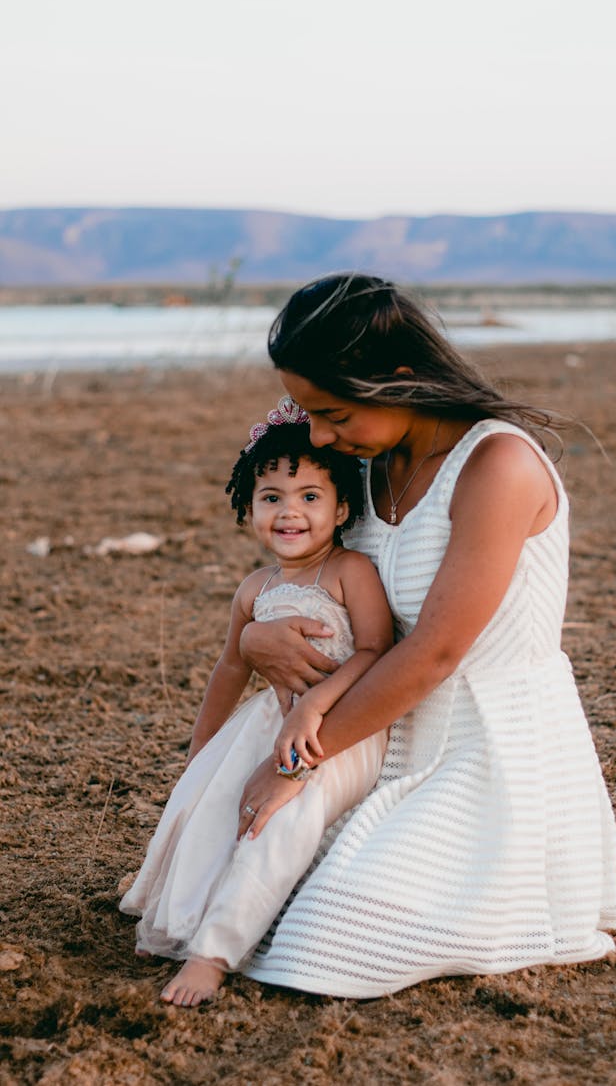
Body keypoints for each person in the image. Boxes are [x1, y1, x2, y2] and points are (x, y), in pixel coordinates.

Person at [230, 273, 616, 1000]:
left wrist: (296, 765)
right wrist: (251, 642)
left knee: (322, 942)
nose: (319, 436)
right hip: (376, 738)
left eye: (332, 412)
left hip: (487, 754)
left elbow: (436, 651)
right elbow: (316, 586)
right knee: (236, 893)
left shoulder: (498, 464)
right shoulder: (367, 467)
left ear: (398, 379)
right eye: (306, 413)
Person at [119, 397, 393, 1006]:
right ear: (247, 509)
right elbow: (228, 669)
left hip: (338, 726)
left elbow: (375, 651)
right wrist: (201, 753)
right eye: (271, 497)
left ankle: (213, 954)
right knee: (210, 803)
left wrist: (313, 707)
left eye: (310, 497)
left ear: (342, 507)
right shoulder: (254, 588)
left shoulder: (350, 572)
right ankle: (181, 917)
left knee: (281, 822)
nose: (289, 512)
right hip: (264, 722)